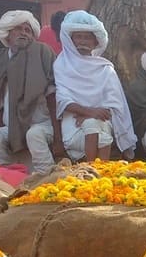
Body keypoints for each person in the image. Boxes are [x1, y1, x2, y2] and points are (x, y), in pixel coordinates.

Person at [0, 11, 62, 174]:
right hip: (12, 124)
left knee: (34, 134)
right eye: (18, 29)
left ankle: (46, 180)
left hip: (41, 123)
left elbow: (52, 96)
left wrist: (58, 138)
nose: (23, 33)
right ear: (7, 33)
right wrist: (2, 128)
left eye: (28, 30)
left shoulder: (42, 52)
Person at [53, 11, 137, 161]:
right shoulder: (61, 64)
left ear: (95, 42)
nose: (83, 41)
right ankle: (96, 172)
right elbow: (62, 99)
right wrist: (88, 111)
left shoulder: (105, 69)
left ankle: (96, 173)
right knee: (95, 127)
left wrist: (89, 114)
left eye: (87, 37)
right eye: (79, 37)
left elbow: (113, 105)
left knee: (96, 126)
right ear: (71, 40)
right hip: (73, 124)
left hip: (101, 120)